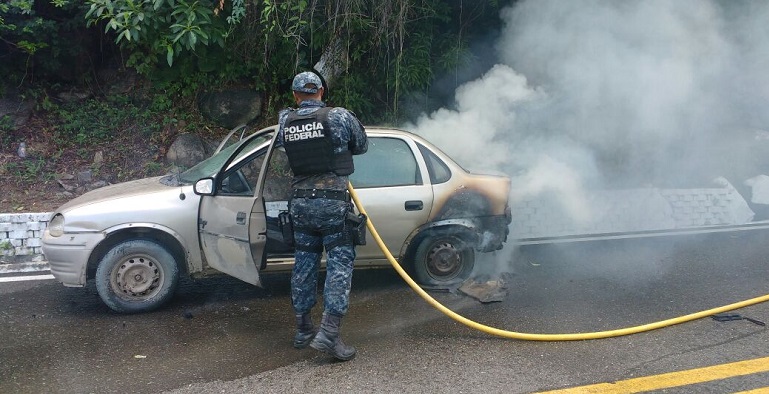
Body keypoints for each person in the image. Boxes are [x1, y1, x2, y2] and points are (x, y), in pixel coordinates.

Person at [277, 71, 368, 361]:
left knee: (303, 265)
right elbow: (362, 145)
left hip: (301, 206)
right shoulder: (338, 116)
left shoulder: (284, 121)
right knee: (339, 265)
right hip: (332, 206)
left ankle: (304, 329)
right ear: (322, 90)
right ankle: (329, 333)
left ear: (295, 95)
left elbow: (285, 149)